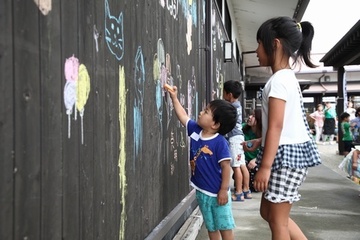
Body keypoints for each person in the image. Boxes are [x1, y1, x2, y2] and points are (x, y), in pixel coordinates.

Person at [253, 16, 321, 240]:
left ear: (275, 44)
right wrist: (261, 142)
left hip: (286, 157)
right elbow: (284, 124)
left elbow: (276, 126)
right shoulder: (284, 78)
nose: (256, 50)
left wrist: (265, 166)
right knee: (268, 213)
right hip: (286, 154)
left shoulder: (280, 81)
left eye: (259, 43)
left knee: (277, 221)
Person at [165, 85, 237, 240]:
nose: (200, 112)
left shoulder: (220, 143)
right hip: (202, 191)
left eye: (206, 112)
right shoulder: (196, 131)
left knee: (225, 227)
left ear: (215, 124)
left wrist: (224, 190)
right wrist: (174, 98)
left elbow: (226, 168)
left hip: (218, 194)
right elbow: (183, 116)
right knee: (211, 227)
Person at [223, 80, 252, 201]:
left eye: (224, 93)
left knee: (236, 166)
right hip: (240, 137)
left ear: (229, 94)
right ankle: (246, 190)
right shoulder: (238, 105)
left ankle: (238, 193)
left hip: (234, 139)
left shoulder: (231, 107)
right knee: (242, 165)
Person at [241, 108, 262, 192]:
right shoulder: (242, 129)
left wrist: (255, 160)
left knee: (256, 187)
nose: (249, 117)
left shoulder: (263, 134)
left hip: (257, 161)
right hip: (244, 160)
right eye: (250, 115)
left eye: (253, 116)